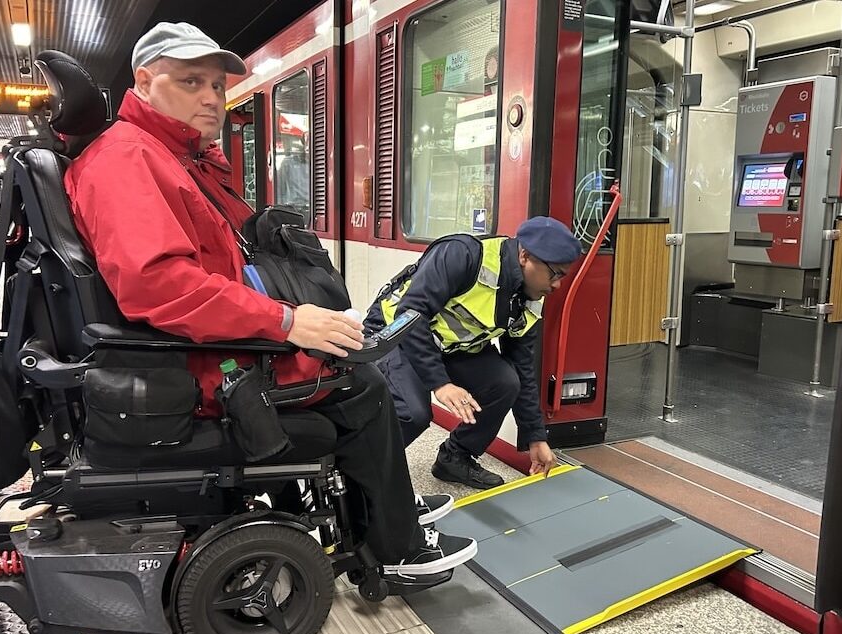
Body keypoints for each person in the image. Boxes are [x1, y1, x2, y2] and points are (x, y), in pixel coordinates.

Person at [63, 22, 475, 581]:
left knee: (347, 358)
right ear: (145, 80)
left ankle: (383, 512)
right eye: (191, 81)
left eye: (216, 84)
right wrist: (287, 321)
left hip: (207, 346)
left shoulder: (177, 156)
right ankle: (394, 545)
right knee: (363, 389)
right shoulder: (128, 160)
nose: (211, 97)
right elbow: (159, 286)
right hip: (200, 365)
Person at [366, 217, 581, 489]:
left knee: (506, 382)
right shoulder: (463, 255)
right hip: (395, 333)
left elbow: (523, 368)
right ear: (525, 255)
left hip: (451, 347)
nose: (557, 285)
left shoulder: (529, 299)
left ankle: (454, 458)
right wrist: (441, 384)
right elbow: (412, 315)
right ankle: (362, 472)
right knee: (413, 412)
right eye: (556, 274)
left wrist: (535, 437)